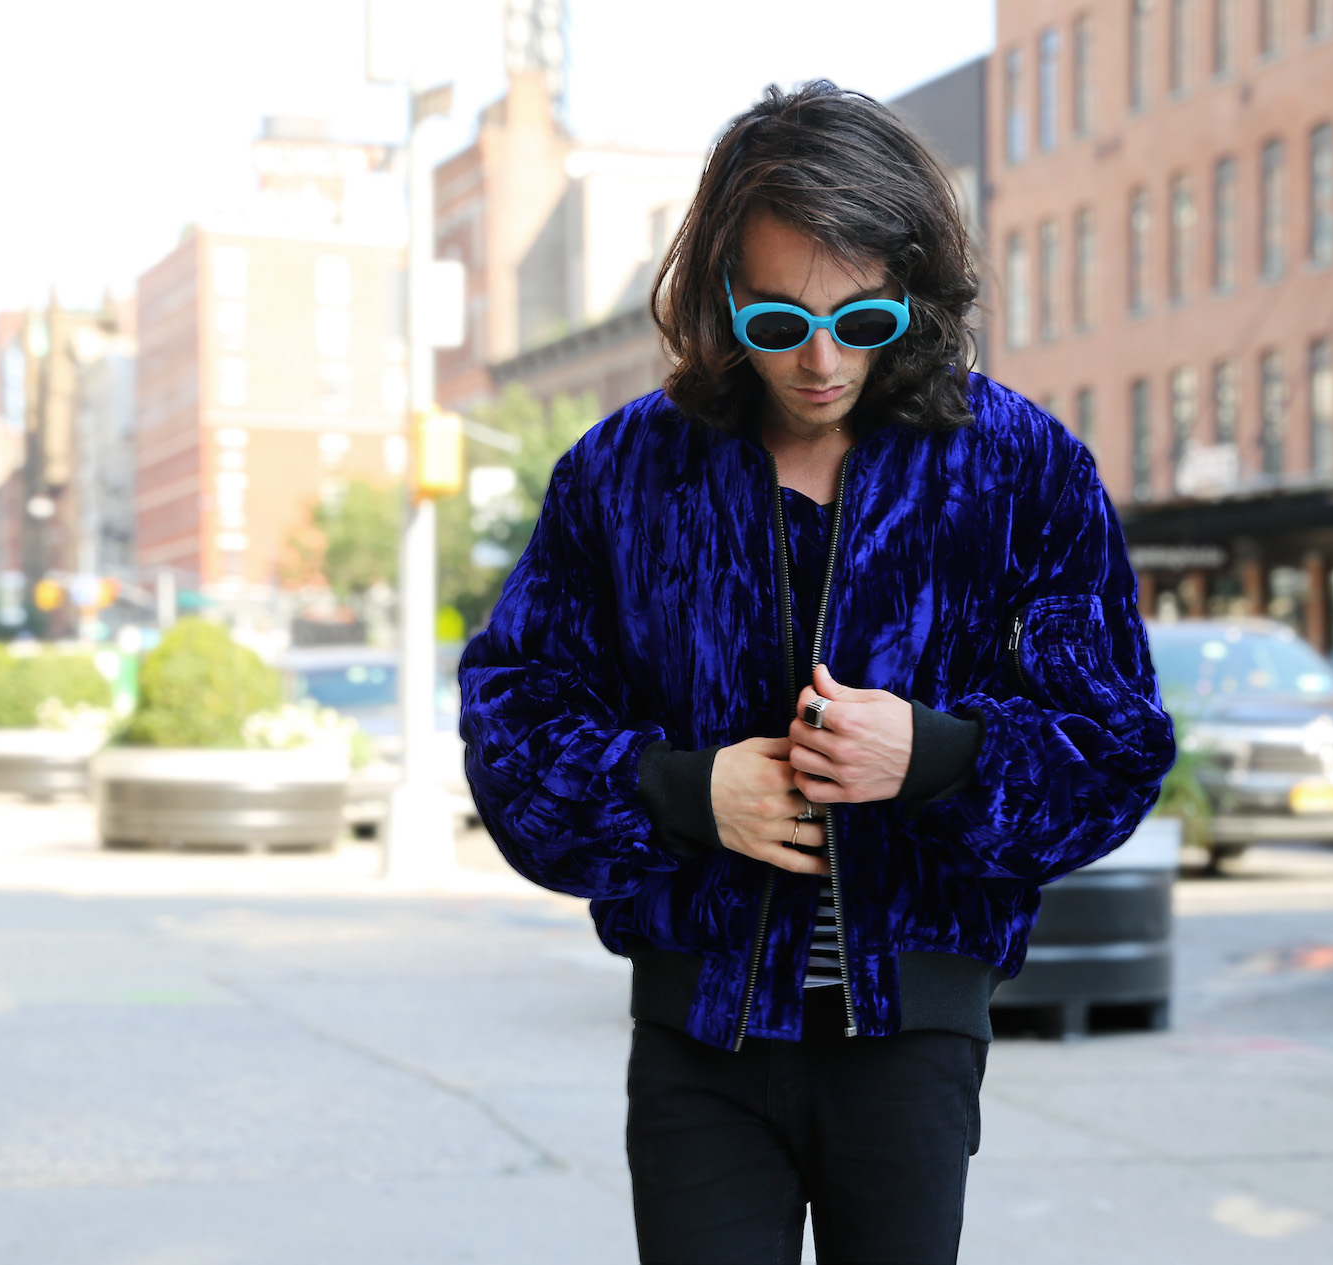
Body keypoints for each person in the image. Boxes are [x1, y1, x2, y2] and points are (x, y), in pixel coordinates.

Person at [459, 80, 1175, 1265]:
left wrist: (937, 756)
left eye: (864, 320)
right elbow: (513, 725)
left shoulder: (1019, 466)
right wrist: (685, 791)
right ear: (722, 298)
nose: (824, 360)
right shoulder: (624, 474)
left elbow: (1113, 741)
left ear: (914, 288)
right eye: (781, 323)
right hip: (700, 1035)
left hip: (911, 1035)